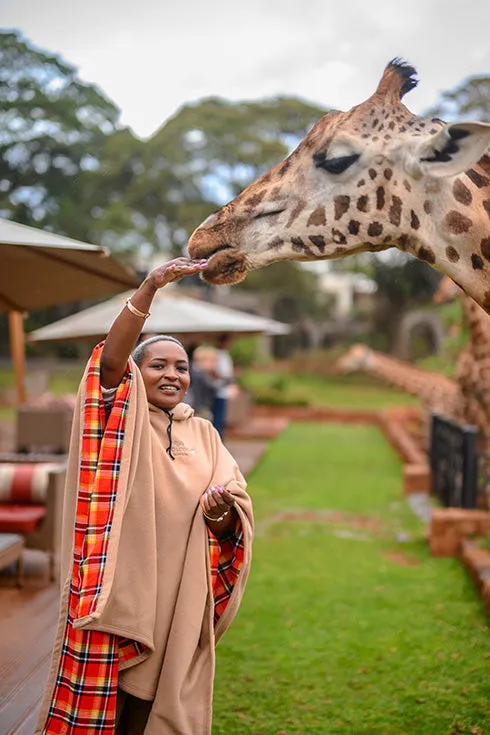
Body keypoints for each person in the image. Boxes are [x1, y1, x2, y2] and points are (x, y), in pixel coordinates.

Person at [35, 258, 254, 735]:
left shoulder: (206, 433)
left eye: (182, 366)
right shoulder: (121, 420)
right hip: (123, 592)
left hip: (177, 595)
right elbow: (110, 362)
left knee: (150, 706)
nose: (173, 374)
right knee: (110, 708)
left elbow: (232, 517)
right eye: (158, 365)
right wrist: (150, 288)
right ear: (136, 375)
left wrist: (222, 514)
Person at [213, 333, 235, 439]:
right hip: (218, 390)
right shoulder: (218, 355)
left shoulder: (225, 354)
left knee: (221, 418)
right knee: (217, 418)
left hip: (224, 390)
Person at [187, 345, 219, 420]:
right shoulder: (200, 373)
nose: (215, 364)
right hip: (199, 409)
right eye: (213, 361)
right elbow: (212, 387)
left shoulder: (193, 370)